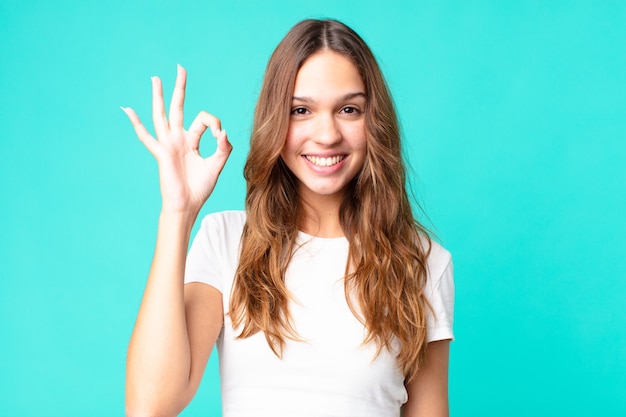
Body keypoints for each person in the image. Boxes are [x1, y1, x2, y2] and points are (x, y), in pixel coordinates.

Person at [122, 19, 454, 417]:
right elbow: (151, 406)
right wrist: (178, 213)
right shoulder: (226, 239)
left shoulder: (424, 261)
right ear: (275, 120)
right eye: (301, 110)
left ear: (374, 122)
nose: (327, 134)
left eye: (349, 109)